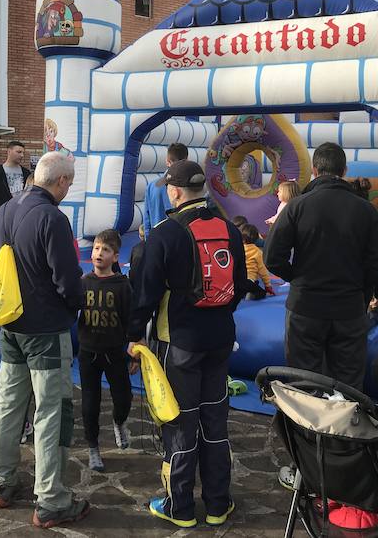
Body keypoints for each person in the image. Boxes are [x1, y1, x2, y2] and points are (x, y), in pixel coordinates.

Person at [128, 160, 246, 529]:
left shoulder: (165, 233)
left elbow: (144, 294)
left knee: (179, 423)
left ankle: (180, 508)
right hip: (220, 340)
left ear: (174, 191)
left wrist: (133, 338)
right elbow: (239, 285)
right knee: (215, 422)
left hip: (178, 343)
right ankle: (217, 504)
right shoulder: (229, 229)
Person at [0, 152, 89, 529]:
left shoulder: (4, 210)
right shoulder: (52, 218)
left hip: (10, 324)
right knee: (51, 411)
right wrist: (78, 306)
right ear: (60, 181)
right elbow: (67, 280)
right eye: (70, 183)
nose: (69, 189)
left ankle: (1, 481)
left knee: (9, 404)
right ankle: (51, 499)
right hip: (46, 330)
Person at [264, 142, 378, 391]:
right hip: (349, 308)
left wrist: (297, 277)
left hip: (305, 307)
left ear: (314, 171)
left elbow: (272, 257)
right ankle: (343, 429)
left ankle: (305, 430)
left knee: (304, 383)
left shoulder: (296, 206)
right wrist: (365, 290)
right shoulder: (365, 210)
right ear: (344, 170)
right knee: (347, 387)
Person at [79, 229, 135, 472]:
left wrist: (135, 347)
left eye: (105, 250)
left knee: (123, 397)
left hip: (115, 353)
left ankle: (118, 421)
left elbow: (132, 319)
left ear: (115, 257)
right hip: (88, 352)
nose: (99, 253)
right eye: (96, 248)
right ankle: (93, 446)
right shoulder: (83, 283)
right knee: (90, 402)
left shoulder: (123, 286)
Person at [143, 143, 188, 236]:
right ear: (186, 160)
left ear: (167, 161)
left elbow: (147, 221)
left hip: (156, 240)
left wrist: (148, 242)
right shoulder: (187, 186)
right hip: (179, 242)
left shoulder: (152, 186)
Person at [0, 140, 31, 207]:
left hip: (21, 211)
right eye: (19, 152)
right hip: (1, 211)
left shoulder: (27, 173)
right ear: (9, 151)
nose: (22, 155)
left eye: (23, 153)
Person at [242, 223, 274, 300]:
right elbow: (262, 270)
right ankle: (250, 294)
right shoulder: (257, 252)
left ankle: (241, 293)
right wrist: (267, 285)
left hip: (237, 280)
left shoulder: (239, 249)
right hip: (249, 280)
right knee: (261, 293)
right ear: (257, 238)